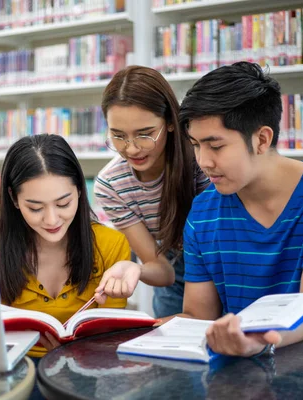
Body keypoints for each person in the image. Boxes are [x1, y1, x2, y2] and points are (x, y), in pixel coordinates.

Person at [175, 61, 303, 356]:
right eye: (195, 145)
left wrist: (259, 339)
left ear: (262, 139)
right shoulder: (203, 212)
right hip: (237, 374)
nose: (203, 161)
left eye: (215, 146)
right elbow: (199, 317)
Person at [0, 134, 131, 358]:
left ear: (79, 189)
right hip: (17, 365)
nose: (51, 220)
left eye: (63, 203)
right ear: (14, 199)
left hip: (88, 364)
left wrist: (75, 352)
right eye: (36, 208)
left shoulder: (110, 244)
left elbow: (110, 338)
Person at [93, 65, 208, 318]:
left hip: (222, 264)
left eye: (145, 134)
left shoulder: (202, 160)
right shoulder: (111, 184)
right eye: (118, 135)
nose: (132, 149)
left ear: (169, 123)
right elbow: (161, 270)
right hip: (175, 268)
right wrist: (135, 269)